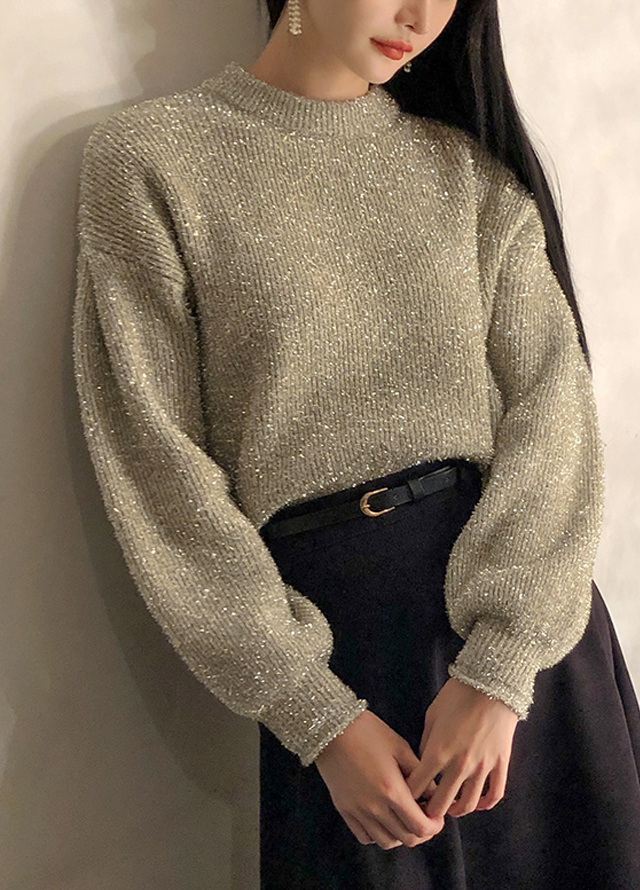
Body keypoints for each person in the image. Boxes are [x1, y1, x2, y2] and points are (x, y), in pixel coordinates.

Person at [72, 0, 640, 887]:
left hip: (528, 658)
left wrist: (500, 668)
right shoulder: (152, 160)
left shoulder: (468, 176)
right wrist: (316, 714)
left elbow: (553, 414)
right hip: (341, 658)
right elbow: (155, 463)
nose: (420, 14)